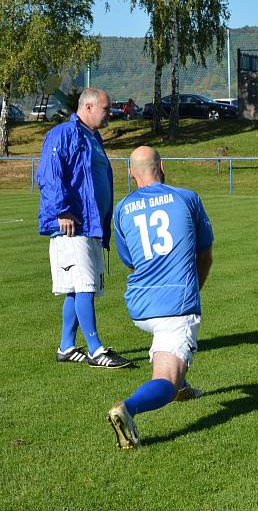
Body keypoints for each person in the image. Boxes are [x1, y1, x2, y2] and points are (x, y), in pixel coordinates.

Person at [106, 146, 214, 449]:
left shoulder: (123, 208)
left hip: (139, 304)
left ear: (131, 173)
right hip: (174, 305)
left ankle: (183, 386)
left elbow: (131, 261)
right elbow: (204, 255)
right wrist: (193, 290)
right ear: (162, 167)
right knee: (166, 379)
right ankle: (128, 407)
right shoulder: (186, 197)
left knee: (169, 344)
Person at [36, 88, 132, 368]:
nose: (109, 113)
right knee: (85, 285)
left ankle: (66, 346)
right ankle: (96, 349)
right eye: (105, 108)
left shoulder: (93, 136)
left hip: (90, 225)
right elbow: (49, 174)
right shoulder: (63, 134)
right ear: (88, 107)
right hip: (72, 224)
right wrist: (63, 210)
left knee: (78, 288)